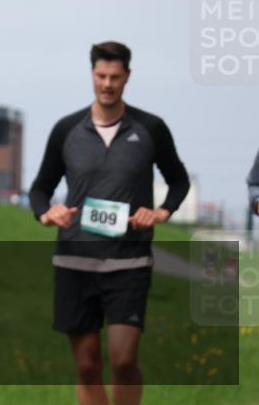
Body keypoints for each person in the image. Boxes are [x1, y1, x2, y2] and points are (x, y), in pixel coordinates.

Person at [29, 41, 190, 405]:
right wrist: (46, 213)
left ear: (127, 77)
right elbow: (40, 188)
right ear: (92, 75)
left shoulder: (150, 128)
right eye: (101, 76)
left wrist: (162, 211)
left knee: (123, 359)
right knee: (86, 366)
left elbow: (179, 180)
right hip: (74, 261)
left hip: (128, 262)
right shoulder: (66, 129)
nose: (107, 84)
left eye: (115, 77)